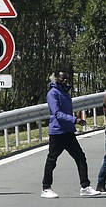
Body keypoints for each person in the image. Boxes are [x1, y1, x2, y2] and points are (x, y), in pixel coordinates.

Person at [41, 70, 100, 198]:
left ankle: (85, 186)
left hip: (68, 131)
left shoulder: (65, 93)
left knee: (80, 157)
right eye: (63, 78)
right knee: (52, 160)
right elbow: (56, 113)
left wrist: (73, 122)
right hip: (57, 132)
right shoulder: (53, 93)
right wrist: (75, 119)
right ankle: (46, 188)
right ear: (56, 79)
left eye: (67, 78)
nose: (66, 80)